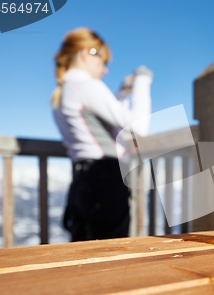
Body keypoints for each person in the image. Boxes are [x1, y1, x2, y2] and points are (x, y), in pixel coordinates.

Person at [51, 27, 153, 241]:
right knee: (110, 254)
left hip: (83, 180)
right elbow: (138, 126)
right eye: (102, 62)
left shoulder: (63, 91)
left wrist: (121, 94)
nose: (105, 69)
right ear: (86, 53)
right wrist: (142, 82)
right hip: (105, 178)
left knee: (84, 253)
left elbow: (100, 124)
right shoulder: (86, 85)